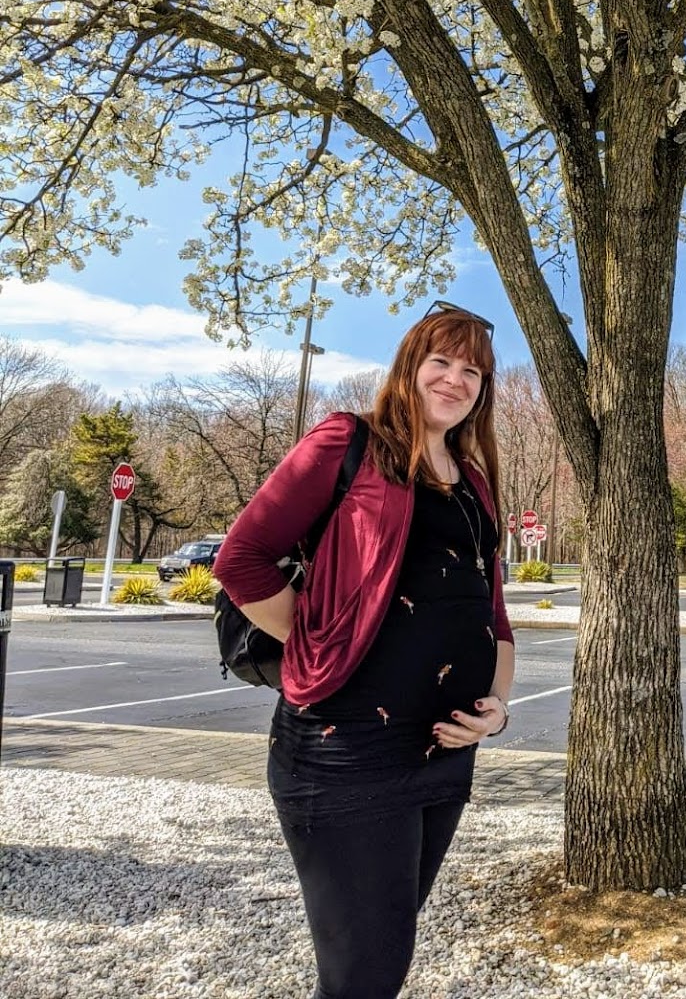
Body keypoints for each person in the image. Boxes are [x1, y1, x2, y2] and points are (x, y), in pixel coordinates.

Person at [214, 301, 514, 999]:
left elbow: (492, 613)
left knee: (383, 957)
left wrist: (496, 709)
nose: (454, 379)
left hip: (443, 753)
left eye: (473, 370)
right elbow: (242, 558)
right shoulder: (349, 443)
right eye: (440, 360)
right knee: (362, 978)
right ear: (409, 367)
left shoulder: (473, 482)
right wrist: (324, 641)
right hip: (344, 750)